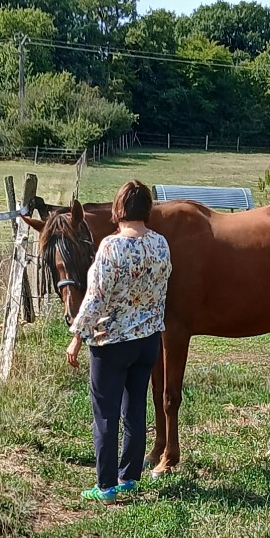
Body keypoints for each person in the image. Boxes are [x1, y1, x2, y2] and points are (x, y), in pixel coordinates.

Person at [66, 180, 172, 502]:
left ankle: (106, 486)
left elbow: (96, 298)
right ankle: (129, 478)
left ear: (118, 208)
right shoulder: (161, 244)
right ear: (147, 209)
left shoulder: (111, 247)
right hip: (148, 341)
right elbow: (162, 289)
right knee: (135, 407)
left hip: (111, 342)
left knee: (106, 412)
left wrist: (76, 337)